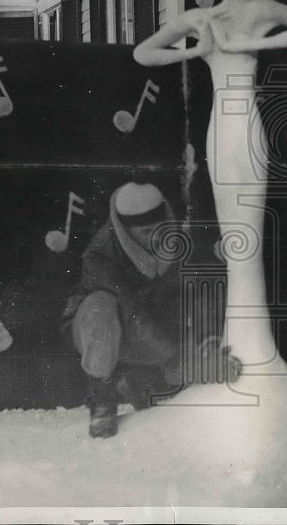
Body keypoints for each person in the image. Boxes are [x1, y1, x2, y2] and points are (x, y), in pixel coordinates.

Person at [133, 0, 287, 371]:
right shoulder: (201, 19)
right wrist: (193, 52)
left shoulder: (263, 12)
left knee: (248, 234)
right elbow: (143, 52)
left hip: (246, 123)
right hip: (220, 125)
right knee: (232, 229)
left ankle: (254, 346)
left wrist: (253, 47)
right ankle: (239, 343)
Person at [62, 181, 240, 438]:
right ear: (125, 230)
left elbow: (197, 280)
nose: (156, 236)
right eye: (146, 232)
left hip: (151, 324)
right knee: (100, 307)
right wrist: (185, 361)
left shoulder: (177, 234)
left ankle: (151, 380)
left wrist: (217, 258)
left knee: (199, 284)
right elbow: (135, 313)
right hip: (107, 329)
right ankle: (102, 400)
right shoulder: (100, 256)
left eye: (160, 228)